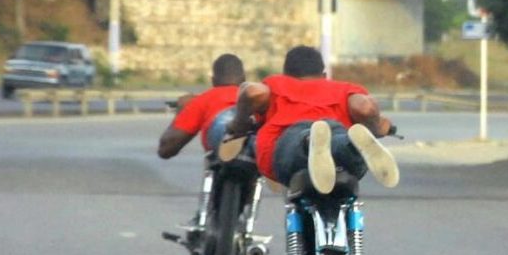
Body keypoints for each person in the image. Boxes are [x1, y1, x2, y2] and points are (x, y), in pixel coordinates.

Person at [226, 45, 399, 194]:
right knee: (344, 146)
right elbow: (364, 107)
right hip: (336, 129)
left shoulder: (278, 84)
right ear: (323, 75)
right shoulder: (344, 89)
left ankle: (311, 142)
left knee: (299, 145)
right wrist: (377, 127)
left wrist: (239, 125)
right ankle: (353, 143)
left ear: (285, 73)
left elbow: (252, 92)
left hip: (290, 135)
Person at [158, 53, 246, 159]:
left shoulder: (202, 100)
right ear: (244, 79)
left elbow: (166, 149)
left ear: (213, 80)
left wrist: (181, 111)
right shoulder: (258, 98)